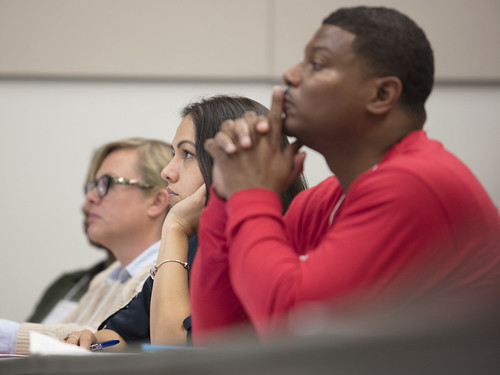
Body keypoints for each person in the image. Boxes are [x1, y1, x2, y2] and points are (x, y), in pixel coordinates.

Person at [193, 6, 500, 343]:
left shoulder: (417, 182)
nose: (291, 75)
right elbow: (225, 339)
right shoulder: (318, 203)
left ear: (381, 95)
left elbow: (298, 333)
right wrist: (226, 200)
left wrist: (251, 194)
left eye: (317, 64)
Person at [63, 95, 308, 350]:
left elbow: (173, 351)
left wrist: (174, 227)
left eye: (187, 154)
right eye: (173, 154)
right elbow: (124, 334)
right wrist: (93, 339)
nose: (167, 171)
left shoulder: (265, 244)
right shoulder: (197, 242)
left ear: (229, 162)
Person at [0, 137, 172, 354]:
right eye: (93, 186)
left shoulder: (165, 273)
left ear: (156, 202)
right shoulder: (107, 276)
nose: (89, 198)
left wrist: (9, 336)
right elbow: (72, 338)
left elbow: (98, 341)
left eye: (106, 184)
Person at [26, 153, 116, 324]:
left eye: (105, 187)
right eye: (89, 190)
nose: (85, 206)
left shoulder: (155, 287)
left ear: (157, 200)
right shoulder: (67, 284)